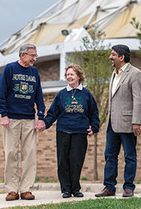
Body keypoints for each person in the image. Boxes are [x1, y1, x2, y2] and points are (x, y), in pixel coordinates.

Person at [41, 64, 100, 198]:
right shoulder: (61, 94)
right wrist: (45, 123)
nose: (69, 77)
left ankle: (75, 188)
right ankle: (66, 189)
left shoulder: (86, 94)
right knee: (63, 161)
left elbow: (94, 113)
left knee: (76, 161)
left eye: (72, 74)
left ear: (79, 76)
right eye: (67, 75)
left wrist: (94, 127)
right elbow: (52, 113)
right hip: (63, 131)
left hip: (80, 132)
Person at [0, 43, 45, 201]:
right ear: (23, 55)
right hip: (11, 119)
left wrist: (41, 116)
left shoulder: (34, 71)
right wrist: (3, 114)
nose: (34, 59)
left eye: (35, 55)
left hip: (29, 119)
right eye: (32, 55)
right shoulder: (9, 69)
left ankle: (26, 189)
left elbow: (39, 95)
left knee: (29, 155)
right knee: (11, 154)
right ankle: (12, 189)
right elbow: (1, 93)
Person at [95, 44, 141, 198]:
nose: (110, 57)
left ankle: (129, 187)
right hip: (112, 123)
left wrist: (136, 121)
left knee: (130, 156)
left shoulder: (135, 73)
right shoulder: (114, 73)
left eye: (113, 54)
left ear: (121, 57)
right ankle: (109, 187)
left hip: (129, 123)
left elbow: (139, 99)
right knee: (110, 155)